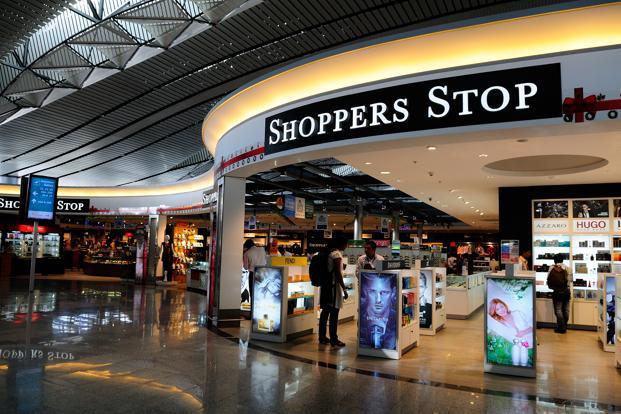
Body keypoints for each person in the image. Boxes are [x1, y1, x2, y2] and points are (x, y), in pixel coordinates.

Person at [319, 238, 348, 347]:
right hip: (333, 288)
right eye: (346, 244)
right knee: (334, 313)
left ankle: (322, 337)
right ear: (342, 244)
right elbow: (337, 273)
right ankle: (334, 339)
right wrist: (344, 289)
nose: (346, 246)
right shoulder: (336, 254)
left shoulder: (328, 252)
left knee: (325, 313)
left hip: (326, 286)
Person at [488, 298, 533, 366]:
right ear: (495, 312)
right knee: (517, 350)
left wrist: (524, 332)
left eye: (502, 306)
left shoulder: (517, 313)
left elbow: (532, 326)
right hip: (521, 345)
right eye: (497, 309)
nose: (501, 310)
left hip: (531, 339)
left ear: (505, 305)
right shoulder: (501, 324)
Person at [359, 273, 397, 350]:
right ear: (365, 291)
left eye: (384, 292)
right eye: (372, 291)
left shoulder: (396, 320)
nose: (378, 300)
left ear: (393, 292)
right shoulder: (361, 320)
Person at [547, 253, 570, 333]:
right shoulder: (567, 268)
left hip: (557, 291)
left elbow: (548, 279)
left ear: (554, 260)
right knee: (566, 309)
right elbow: (570, 280)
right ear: (563, 260)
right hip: (566, 291)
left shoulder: (552, 268)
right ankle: (565, 326)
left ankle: (561, 328)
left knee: (558, 309)